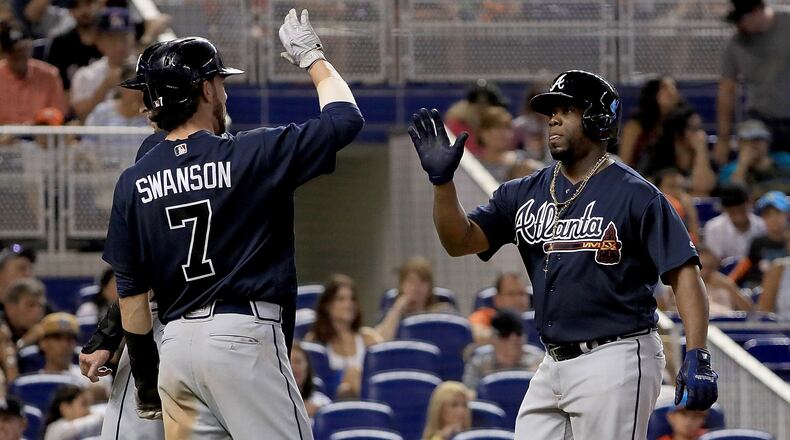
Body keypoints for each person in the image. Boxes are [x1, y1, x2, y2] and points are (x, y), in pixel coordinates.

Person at [407, 70, 717, 439]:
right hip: (553, 361)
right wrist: (443, 184)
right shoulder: (523, 192)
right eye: (550, 111)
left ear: (598, 119)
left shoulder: (637, 194)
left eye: (566, 110)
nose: (552, 118)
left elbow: (685, 274)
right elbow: (460, 241)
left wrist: (698, 352)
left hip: (616, 355)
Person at [103, 8, 363, 439]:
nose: (224, 92)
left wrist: (148, 385)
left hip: (176, 349)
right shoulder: (248, 154)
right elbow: (345, 119)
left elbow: (131, 300)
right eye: (220, 82)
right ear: (206, 89)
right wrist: (313, 57)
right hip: (241, 336)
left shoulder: (132, 182)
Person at [716, 0, 790, 164]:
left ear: (757, 12)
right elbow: (727, 90)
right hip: (760, 118)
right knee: (754, 159)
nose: (739, 26)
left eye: (742, 20)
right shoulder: (736, 43)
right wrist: (723, 138)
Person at [305, 274, 382, 399]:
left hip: (363, 399)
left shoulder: (368, 337)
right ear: (327, 305)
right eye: (341, 299)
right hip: (329, 400)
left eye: (352, 299)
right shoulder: (315, 340)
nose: (349, 304)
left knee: (353, 375)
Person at [70, 7, 135, 121]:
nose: (119, 45)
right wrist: (105, 86)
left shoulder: (148, 71)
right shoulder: (85, 75)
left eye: (124, 37)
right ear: (99, 41)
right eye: (112, 38)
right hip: (98, 137)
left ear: (133, 38)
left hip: (137, 135)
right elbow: (81, 117)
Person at [639, 105, 716, 196]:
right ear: (678, 132)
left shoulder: (703, 156)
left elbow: (703, 187)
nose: (700, 134)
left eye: (700, 128)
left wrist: (701, 151)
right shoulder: (656, 157)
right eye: (694, 129)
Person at [0, 21, 68, 125]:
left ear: (30, 48)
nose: (19, 56)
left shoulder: (49, 75)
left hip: (39, 138)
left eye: (22, 50)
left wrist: (34, 126)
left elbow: (58, 115)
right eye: (13, 51)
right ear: (4, 53)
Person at [375, 256, 456, 341]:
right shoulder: (391, 315)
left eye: (423, 281)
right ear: (402, 285)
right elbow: (379, 342)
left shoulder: (443, 313)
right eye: (411, 281)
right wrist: (397, 310)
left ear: (430, 286)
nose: (417, 286)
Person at [463, 310, 541, 390]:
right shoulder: (479, 362)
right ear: (492, 339)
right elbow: (469, 392)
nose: (513, 339)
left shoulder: (538, 360)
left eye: (518, 333)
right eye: (505, 334)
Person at [660, 247, 752, 314]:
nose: (706, 271)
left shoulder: (725, 286)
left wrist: (729, 287)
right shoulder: (676, 286)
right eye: (703, 266)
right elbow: (663, 314)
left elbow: (752, 314)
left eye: (711, 267)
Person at [728, 190, 790, 286]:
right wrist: (729, 283)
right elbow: (743, 267)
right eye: (768, 214)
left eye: (777, 213)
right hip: (759, 288)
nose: (773, 218)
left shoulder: (788, 241)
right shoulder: (757, 242)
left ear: (787, 214)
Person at [619, 76, 683, 167]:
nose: (672, 91)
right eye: (664, 87)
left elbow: (684, 164)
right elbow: (624, 162)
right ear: (653, 93)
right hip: (640, 176)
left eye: (673, 86)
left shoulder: (679, 125)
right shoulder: (635, 126)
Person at [718, 119, 790, 195]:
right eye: (749, 139)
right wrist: (742, 167)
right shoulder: (730, 170)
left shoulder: (784, 159)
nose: (755, 144)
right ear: (739, 143)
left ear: (768, 141)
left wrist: (767, 166)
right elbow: (733, 198)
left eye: (760, 139)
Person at [45, 0, 103, 90]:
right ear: (70, 11)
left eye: (88, 3)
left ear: (99, 4)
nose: (84, 11)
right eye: (76, 6)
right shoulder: (59, 44)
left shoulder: (112, 39)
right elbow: (55, 88)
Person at [477, 106, 542, 182]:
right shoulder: (474, 165)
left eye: (508, 128)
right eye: (497, 128)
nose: (504, 133)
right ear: (483, 133)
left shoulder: (523, 161)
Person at [703, 184, 766, 261]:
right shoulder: (713, 228)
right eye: (732, 212)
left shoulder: (762, 225)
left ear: (750, 203)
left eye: (741, 210)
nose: (738, 216)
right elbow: (714, 262)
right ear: (724, 209)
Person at [469, 272, 530, 342]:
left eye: (522, 294)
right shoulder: (486, 315)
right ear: (498, 299)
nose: (518, 299)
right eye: (511, 294)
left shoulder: (538, 318)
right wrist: (504, 334)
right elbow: (474, 332)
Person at [290, 342, 331, 418]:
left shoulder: (321, 402)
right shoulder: (272, 404)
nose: (293, 367)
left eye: (298, 362)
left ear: (307, 367)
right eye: (288, 362)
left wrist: (320, 411)